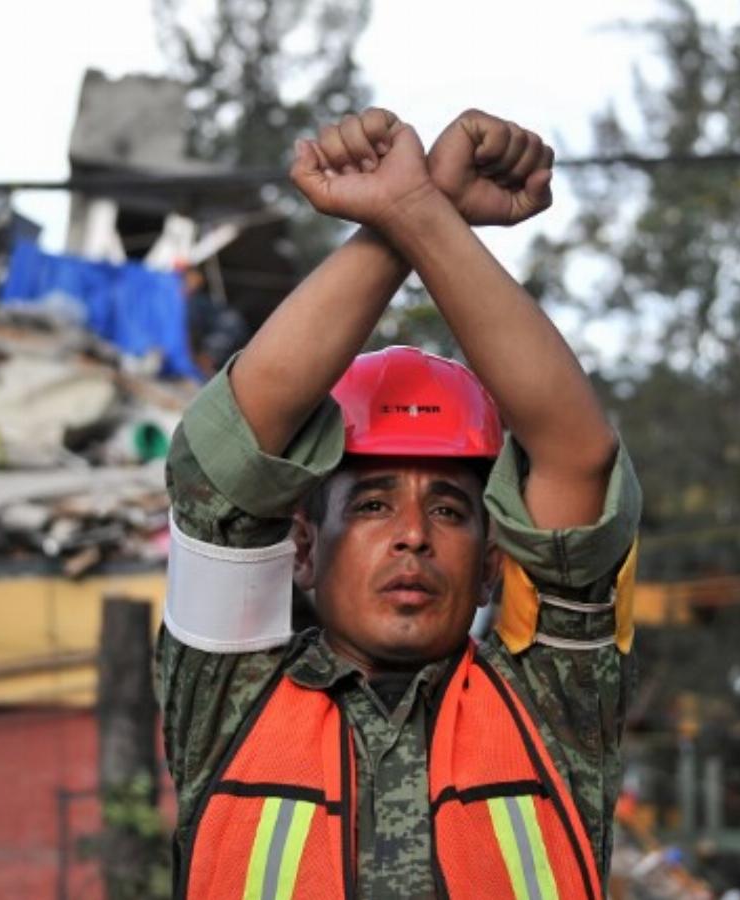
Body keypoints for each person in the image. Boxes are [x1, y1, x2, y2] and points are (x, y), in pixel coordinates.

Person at [156, 107, 642, 900]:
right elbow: (221, 465)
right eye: (374, 504)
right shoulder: (230, 696)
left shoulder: (551, 709)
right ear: (304, 548)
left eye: (450, 509)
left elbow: (575, 457)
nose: (414, 536)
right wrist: (406, 217)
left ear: (492, 564)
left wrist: (417, 211)